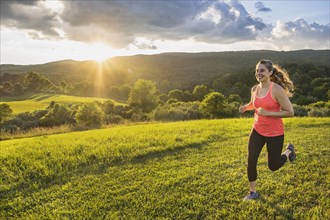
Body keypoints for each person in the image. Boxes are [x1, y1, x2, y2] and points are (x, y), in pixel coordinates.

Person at [239, 59, 296, 200]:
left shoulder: (276, 90)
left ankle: (289, 151)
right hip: (257, 130)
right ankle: (253, 193)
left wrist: (268, 113)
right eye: (257, 70)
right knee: (251, 160)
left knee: (273, 166)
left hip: (275, 134)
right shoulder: (255, 89)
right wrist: (246, 107)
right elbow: (255, 103)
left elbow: (290, 112)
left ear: (270, 72)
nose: (259, 73)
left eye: (262, 70)